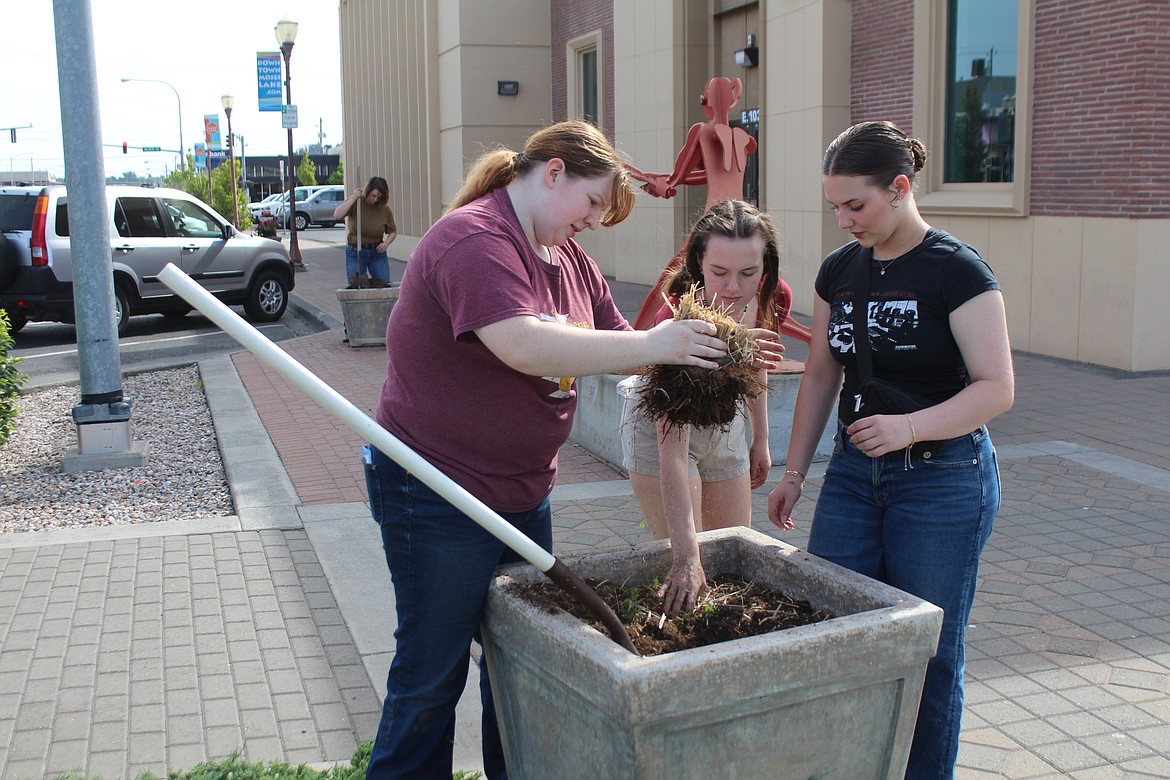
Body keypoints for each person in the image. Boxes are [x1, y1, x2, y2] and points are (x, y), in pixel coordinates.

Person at [363, 120, 776, 780]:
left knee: (517, 660)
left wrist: (711, 362)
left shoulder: (570, 260)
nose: (592, 222)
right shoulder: (474, 239)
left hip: (523, 490)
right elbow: (524, 345)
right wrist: (656, 344)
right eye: (591, 203)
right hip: (436, 492)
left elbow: (619, 350)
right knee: (431, 671)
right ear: (552, 172)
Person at [766, 120, 1014, 779]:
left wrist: (910, 427)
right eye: (835, 207)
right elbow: (821, 373)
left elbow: (998, 388)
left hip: (941, 480)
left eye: (857, 205)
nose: (845, 220)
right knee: (835, 627)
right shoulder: (839, 270)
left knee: (930, 653)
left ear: (900, 188)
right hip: (853, 477)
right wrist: (793, 472)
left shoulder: (957, 270)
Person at [620, 199, 781, 617]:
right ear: (697, 265)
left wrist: (761, 438)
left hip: (724, 421)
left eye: (748, 273)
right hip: (665, 429)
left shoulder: (766, 295)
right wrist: (687, 557)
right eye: (719, 273)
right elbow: (672, 455)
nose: (734, 287)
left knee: (730, 555)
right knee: (686, 563)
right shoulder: (677, 319)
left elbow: (754, 361)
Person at [333, 176, 397, 286]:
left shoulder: (384, 209)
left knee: (384, 286)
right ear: (368, 191)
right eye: (374, 195)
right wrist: (353, 198)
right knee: (356, 287)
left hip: (377, 252)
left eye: (379, 197)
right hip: (356, 251)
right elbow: (337, 215)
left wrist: (386, 244)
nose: (376, 199)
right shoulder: (357, 202)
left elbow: (393, 231)